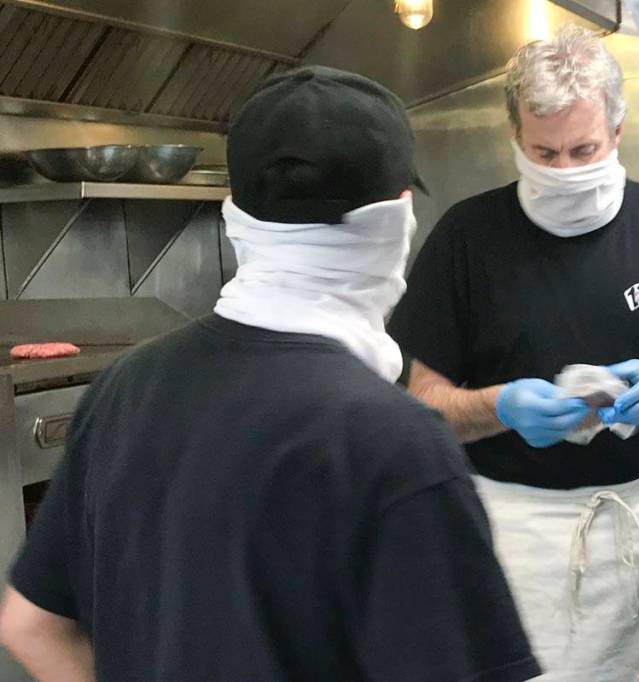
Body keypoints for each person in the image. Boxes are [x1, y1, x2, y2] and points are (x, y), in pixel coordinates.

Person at [0, 66, 541, 682]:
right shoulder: (397, 441)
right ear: (398, 213)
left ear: (237, 214)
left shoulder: (124, 387)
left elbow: (30, 626)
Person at [388, 24, 639, 680]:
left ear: (618, 130)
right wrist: (499, 407)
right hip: (520, 542)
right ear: (515, 137)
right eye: (544, 153)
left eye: (584, 149)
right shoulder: (468, 236)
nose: (566, 171)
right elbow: (421, 410)